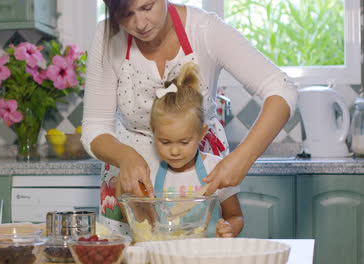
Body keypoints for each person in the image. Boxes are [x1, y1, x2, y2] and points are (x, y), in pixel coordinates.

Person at [81, 0, 297, 234]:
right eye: (125, 14)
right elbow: (94, 126)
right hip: (130, 185)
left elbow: (282, 88)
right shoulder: (107, 37)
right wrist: (124, 157)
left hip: (199, 181)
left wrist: (242, 158)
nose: (140, 23)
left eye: (147, 7)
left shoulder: (205, 31)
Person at [149, 62, 243, 237]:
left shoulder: (216, 170)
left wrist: (227, 230)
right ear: (153, 132)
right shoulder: (151, 174)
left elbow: (235, 216)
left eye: (184, 142)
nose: (174, 151)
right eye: (165, 142)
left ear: (201, 133)